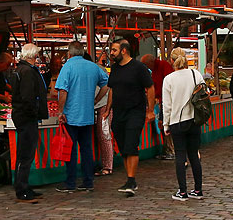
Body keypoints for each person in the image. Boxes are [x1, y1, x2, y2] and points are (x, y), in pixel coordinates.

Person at [55, 42, 109, 194]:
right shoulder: (93, 67)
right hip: (87, 114)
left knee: (70, 150)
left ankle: (70, 183)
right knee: (87, 149)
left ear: (69, 54)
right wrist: (96, 100)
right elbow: (106, 84)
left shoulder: (67, 68)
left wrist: (60, 111)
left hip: (71, 115)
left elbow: (63, 91)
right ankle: (88, 181)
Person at [104, 39, 155, 196]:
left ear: (124, 51)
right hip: (119, 112)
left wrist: (150, 110)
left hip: (135, 111)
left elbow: (150, 87)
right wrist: (107, 109)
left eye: (114, 50)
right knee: (124, 147)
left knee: (132, 145)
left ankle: (131, 180)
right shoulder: (114, 69)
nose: (111, 53)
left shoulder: (139, 68)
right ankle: (129, 179)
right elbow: (112, 90)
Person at [161, 47, 206, 201]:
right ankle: (198, 190)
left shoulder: (169, 79)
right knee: (194, 154)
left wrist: (166, 125)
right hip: (194, 120)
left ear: (172, 61)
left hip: (177, 121)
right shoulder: (196, 74)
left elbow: (167, 105)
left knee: (180, 155)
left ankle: (182, 191)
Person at [13, 43, 49, 203]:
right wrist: (34, 112)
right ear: (33, 56)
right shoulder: (27, 71)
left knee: (24, 153)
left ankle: (23, 185)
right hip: (27, 117)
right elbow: (28, 97)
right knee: (26, 154)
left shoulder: (20, 70)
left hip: (22, 115)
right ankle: (22, 189)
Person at [141, 54, 176, 160]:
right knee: (163, 126)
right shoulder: (154, 70)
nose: (146, 67)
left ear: (151, 62)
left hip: (167, 102)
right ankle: (167, 149)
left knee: (166, 126)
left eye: (146, 65)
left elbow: (167, 86)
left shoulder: (163, 66)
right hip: (161, 101)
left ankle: (171, 150)